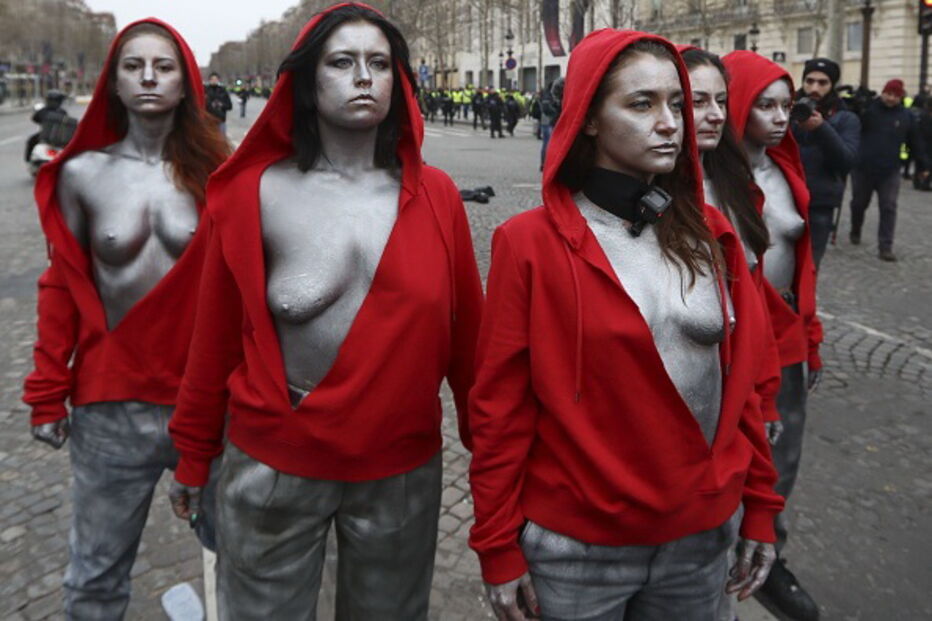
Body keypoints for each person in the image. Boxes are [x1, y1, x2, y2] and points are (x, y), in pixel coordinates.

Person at [166, 4, 483, 618]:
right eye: (342, 62)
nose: (364, 77)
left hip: (401, 470)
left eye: (380, 64)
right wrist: (193, 452)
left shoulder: (437, 196)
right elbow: (214, 341)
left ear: (399, 81)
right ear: (308, 83)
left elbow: (470, 348)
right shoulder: (252, 193)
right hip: (273, 465)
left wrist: (496, 469)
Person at [469, 31, 783, 621]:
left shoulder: (713, 234)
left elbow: (746, 388)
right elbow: (499, 407)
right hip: (574, 553)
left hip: (700, 543)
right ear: (589, 119)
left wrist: (761, 507)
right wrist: (496, 543)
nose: (669, 123)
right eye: (641, 104)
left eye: (676, 104)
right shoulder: (528, 244)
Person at [21, 19, 228, 619]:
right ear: (112, 82)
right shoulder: (82, 176)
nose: (147, 78)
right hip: (110, 408)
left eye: (163, 67)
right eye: (133, 66)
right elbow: (61, 284)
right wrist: (46, 390)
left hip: (209, 404)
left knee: (240, 562)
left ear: (186, 83)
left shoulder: (223, 174)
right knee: (95, 573)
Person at [723, 50, 824, 621]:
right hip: (742, 339)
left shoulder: (787, 168)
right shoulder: (714, 182)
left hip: (788, 334)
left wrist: (810, 333)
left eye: (788, 105)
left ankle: (767, 552)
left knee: (784, 457)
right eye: (765, 105)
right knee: (746, 447)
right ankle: (730, 548)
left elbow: (805, 258)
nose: (781, 117)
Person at [848, 78, 929, 261]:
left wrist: (923, 166)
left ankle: (885, 246)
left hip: (890, 170)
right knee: (859, 203)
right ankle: (855, 228)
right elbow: (853, 122)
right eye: (889, 94)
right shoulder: (869, 109)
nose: (891, 98)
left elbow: (915, 142)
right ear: (883, 92)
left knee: (889, 206)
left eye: (896, 95)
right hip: (863, 167)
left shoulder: (906, 116)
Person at [790, 58, 860, 268]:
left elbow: (847, 161)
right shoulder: (786, 109)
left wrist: (822, 129)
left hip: (819, 204)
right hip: (784, 198)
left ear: (832, 86)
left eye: (823, 83)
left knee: (809, 267)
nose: (814, 88)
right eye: (809, 81)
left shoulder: (846, 119)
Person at [24, 90, 68, 162]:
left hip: (44, 136)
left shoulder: (43, 111)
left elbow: (34, 119)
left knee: (31, 141)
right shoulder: (63, 112)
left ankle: (28, 160)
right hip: (60, 137)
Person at [539, 77, 563, 171]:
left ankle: (547, 163)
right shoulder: (547, 95)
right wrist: (557, 114)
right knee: (548, 143)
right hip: (547, 121)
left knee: (549, 142)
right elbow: (546, 108)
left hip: (549, 120)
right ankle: (545, 163)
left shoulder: (548, 93)